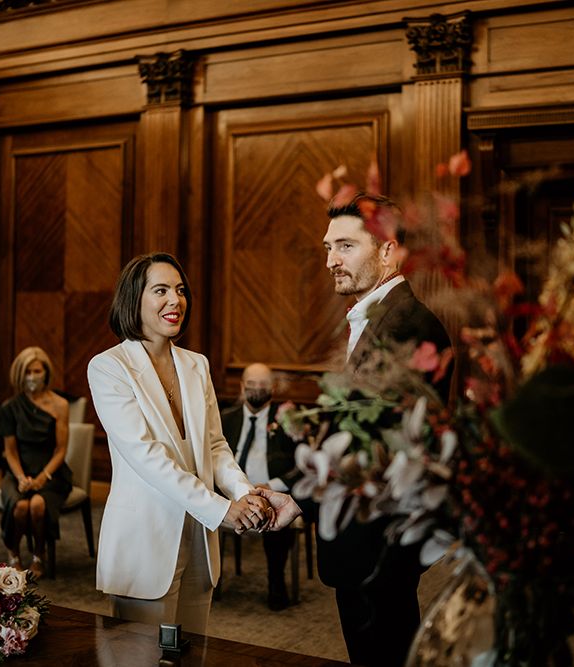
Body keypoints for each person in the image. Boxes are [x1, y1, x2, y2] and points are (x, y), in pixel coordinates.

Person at [87, 252, 300, 635]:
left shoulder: (196, 364)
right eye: (161, 290)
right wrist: (223, 510)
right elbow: (147, 456)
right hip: (144, 542)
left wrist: (247, 494)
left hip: (200, 540)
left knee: (191, 652)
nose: (176, 300)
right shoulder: (108, 367)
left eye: (181, 290)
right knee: (139, 657)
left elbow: (215, 446)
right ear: (134, 298)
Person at [302, 191, 454, 667]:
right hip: (364, 538)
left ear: (389, 250)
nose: (331, 260)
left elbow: (375, 446)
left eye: (345, 246)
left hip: (378, 540)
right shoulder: (376, 320)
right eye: (328, 247)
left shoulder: (407, 326)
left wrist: (298, 496)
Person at [221, 363, 298, 611]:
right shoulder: (225, 419)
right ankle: (211, 578)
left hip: (272, 490)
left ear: (272, 388)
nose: (256, 390)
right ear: (242, 387)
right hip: (231, 493)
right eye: (251, 385)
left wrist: (271, 486)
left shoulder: (288, 419)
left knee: (273, 508)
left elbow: (301, 466)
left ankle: (276, 580)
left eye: (262, 385)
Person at [0, 346, 73, 578]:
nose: (32, 377)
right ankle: (13, 552)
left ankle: (39, 553)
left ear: (46, 373)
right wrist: (21, 478)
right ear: (19, 374)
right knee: (20, 506)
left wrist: (41, 478)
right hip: (17, 472)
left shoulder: (60, 405)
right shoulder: (10, 407)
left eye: (37, 371)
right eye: (27, 372)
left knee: (37, 505)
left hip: (52, 473)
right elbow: (10, 452)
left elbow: (61, 449)